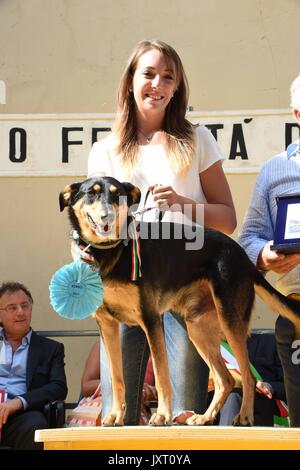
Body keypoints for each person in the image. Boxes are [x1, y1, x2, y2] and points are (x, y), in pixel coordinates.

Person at [73, 39, 236, 424]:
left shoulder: (198, 139)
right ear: (130, 80)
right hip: (121, 281)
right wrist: (80, 250)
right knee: (120, 413)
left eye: (168, 77)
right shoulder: (105, 149)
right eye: (148, 74)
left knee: (183, 414)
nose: (157, 84)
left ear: (177, 87)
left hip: (181, 287)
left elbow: (227, 219)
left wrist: (182, 203)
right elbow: (90, 218)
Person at [239, 73, 300, 427]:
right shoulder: (274, 171)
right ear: (297, 113)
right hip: (295, 316)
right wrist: (264, 257)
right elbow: (247, 241)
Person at [0, 282, 68, 449]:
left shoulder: (51, 349)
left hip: (21, 416)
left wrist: (19, 402)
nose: (21, 312)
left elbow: (58, 387)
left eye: (25, 306)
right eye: (12, 308)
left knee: (36, 425)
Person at [80, 340, 157, 425]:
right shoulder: (103, 345)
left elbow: (162, 391)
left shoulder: (154, 350)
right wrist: (120, 387)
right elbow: (86, 386)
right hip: (99, 404)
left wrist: (145, 391)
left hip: (134, 408)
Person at [218, 331, 286, 426]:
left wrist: (269, 387)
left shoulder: (268, 343)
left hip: (262, 406)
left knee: (234, 396)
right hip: (219, 411)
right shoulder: (206, 349)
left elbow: (291, 388)